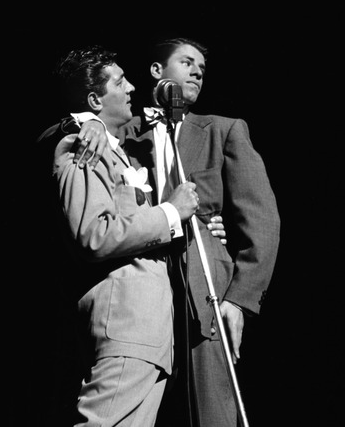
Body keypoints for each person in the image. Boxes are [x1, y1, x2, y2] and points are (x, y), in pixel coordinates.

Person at [66, 37, 281, 426]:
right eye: (187, 62)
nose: (198, 70)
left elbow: (262, 221)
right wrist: (88, 121)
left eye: (202, 67)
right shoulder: (119, 129)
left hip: (205, 297)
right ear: (156, 72)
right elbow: (63, 137)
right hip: (137, 298)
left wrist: (239, 300)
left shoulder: (223, 131)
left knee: (212, 414)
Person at [40, 45, 203, 427]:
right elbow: (95, 234)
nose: (132, 87)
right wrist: (169, 212)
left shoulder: (118, 152)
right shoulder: (84, 143)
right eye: (120, 81)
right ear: (95, 99)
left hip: (150, 330)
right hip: (127, 322)